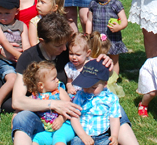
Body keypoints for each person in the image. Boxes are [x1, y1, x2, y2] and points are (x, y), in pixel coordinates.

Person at [11, 13, 138, 145]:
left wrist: (107, 64)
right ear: (42, 41)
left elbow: (96, 71)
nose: (65, 48)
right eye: (58, 45)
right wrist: (54, 104)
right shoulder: (28, 57)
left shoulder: (71, 52)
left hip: (78, 109)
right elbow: (17, 101)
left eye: (65, 44)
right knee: (21, 118)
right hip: (43, 115)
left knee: (115, 108)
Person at [0, 0, 29, 122]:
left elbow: (26, 44)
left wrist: (25, 57)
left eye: (7, 13)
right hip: (5, 61)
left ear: (16, 11)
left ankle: (22, 106)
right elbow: (4, 42)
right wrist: (18, 55)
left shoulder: (22, 25)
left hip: (21, 59)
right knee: (12, 79)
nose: (3, 17)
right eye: (0, 13)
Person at [23, 61, 75, 145]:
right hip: (49, 131)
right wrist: (15, 116)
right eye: (53, 79)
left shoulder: (59, 91)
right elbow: (23, 104)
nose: (57, 80)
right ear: (41, 85)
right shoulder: (35, 96)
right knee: (36, 138)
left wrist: (61, 119)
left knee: (58, 136)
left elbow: (70, 108)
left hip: (66, 126)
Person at [70, 59, 121, 145]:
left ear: (105, 84)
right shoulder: (80, 95)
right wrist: (83, 135)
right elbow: (74, 117)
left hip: (102, 136)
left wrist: (114, 136)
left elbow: (114, 119)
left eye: (94, 87)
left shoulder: (111, 99)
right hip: (82, 135)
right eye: (85, 86)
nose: (89, 90)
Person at [85, 0, 128, 74]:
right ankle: (99, 78)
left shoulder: (115, 4)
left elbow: (124, 21)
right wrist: (87, 34)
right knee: (98, 59)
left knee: (113, 61)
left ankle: (113, 80)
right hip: (98, 38)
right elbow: (89, 20)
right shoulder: (93, 4)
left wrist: (119, 27)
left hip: (112, 38)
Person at [65, 32, 91, 97]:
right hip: (75, 94)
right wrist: (70, 87)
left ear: (87, 53)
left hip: (88, 93)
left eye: (78, 55)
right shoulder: (70, 67)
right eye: (71, 54)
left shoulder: (90, 65)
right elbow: (69, 82)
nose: (74, 57)